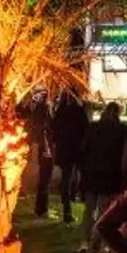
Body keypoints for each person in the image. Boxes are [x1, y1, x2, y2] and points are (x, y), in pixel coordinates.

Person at [78, 102, 127, 251]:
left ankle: (84, 242)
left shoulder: (93, 127)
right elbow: (123, 155)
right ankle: (97, 239)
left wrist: (83, 169)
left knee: (88, 209)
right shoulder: (121, 130)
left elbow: (83, 150)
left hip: (91, 174)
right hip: (109, 175)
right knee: (103, 210)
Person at [50, 91, 90, 224]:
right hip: (77, 149)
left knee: (66, 178)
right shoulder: (79, 111)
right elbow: (86, 129)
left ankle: (67, 208)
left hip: (65, 150)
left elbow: (53, 129)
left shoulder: (60, 111)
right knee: (81, 173)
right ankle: (81, 196)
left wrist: (58, 143)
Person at [21, 92, 55, 218]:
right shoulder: (45, 114)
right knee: (45, 179)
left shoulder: (38, 113)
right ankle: (41, 209)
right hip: (46, 151)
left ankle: (41, 208)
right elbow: (44, 132)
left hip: (44, 149)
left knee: (44, 180)